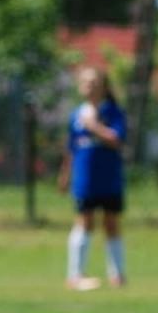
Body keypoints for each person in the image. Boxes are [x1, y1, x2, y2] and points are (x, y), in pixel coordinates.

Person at [56, 67, 129, 290]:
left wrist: (94, 127)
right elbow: (72, 149)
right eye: (86, 83)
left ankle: (117, 274)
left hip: (109, 177)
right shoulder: (76, 115)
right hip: (85, 179)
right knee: (84, 222)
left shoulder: (113, 112)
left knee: (111, 224)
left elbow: (116, 139)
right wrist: (65, 175)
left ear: (104, 87)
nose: (90, 87)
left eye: (95, 82)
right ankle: (75, 275)